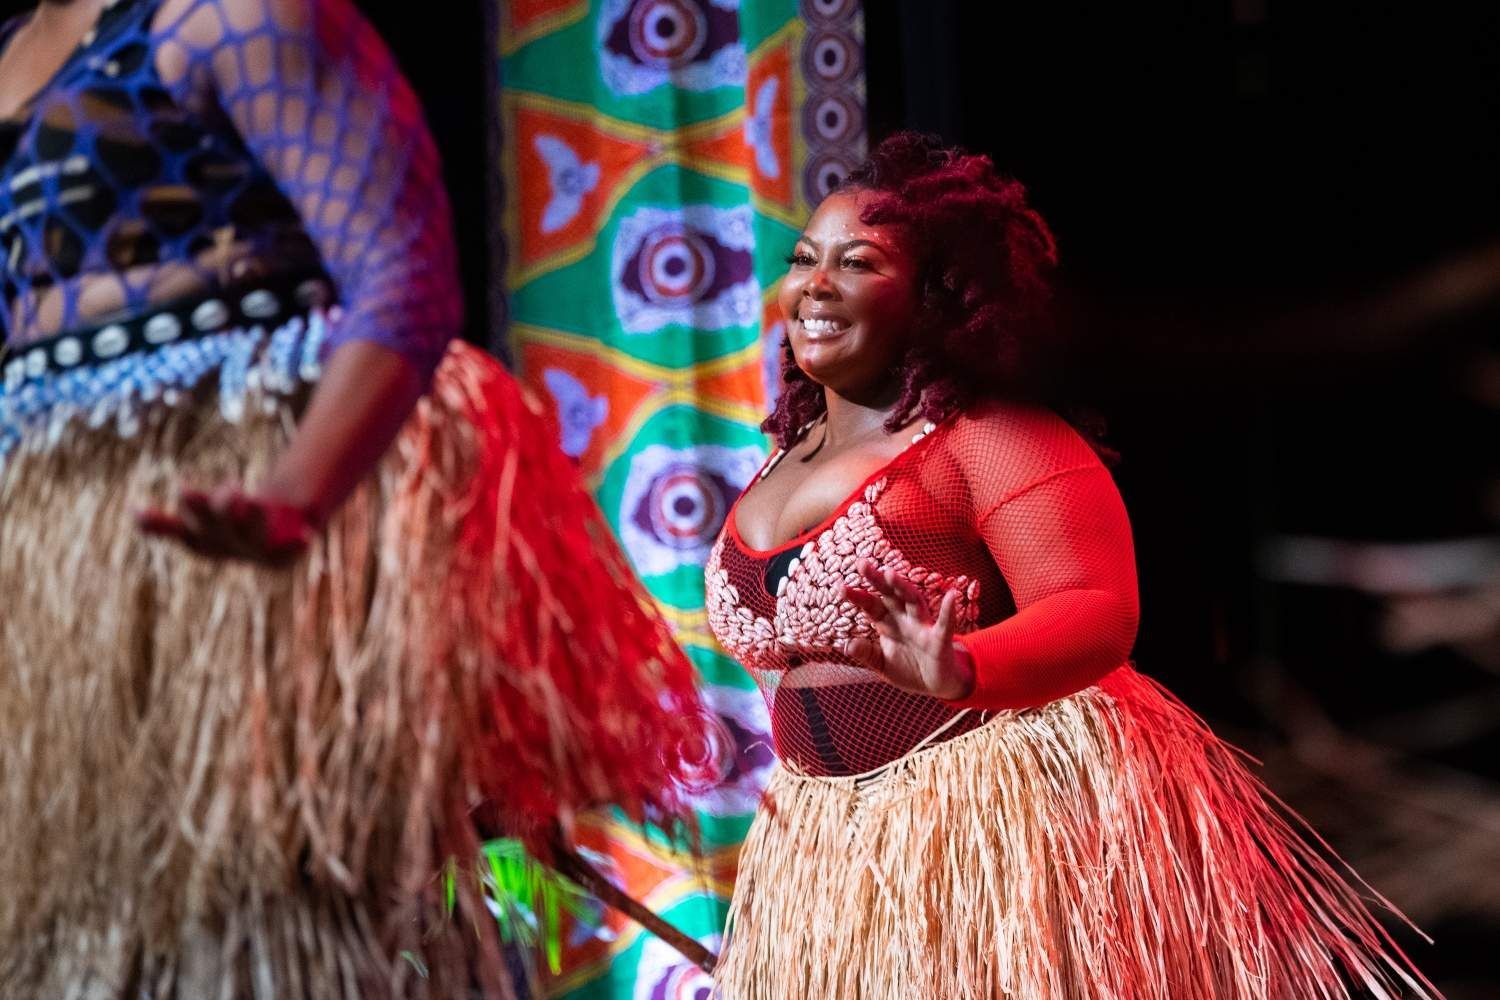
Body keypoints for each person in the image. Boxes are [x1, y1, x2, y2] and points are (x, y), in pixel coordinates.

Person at [0, 0, 702, 995]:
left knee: (259, 902)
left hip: (222, 489)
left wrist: (298, 492)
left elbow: (404, 279)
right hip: (53, 531)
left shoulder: (231, 13)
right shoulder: (22, 41)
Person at [704, 131, 1437, 999]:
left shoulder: (988, 437)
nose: (814, 286)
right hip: (827, 853)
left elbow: (1096, 606)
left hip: (984, 831)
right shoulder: (778, 459)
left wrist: (967, 665)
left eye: (856, 264)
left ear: (936, 296)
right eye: (804, 259)